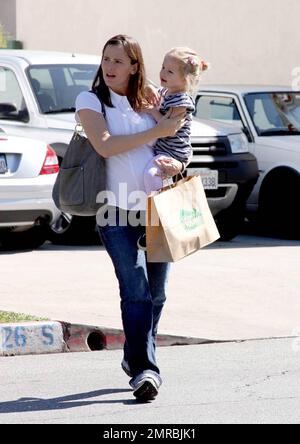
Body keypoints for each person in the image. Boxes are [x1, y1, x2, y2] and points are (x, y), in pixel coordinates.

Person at [75, 35, 185, 402]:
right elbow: (104, 144)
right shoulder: (91, 100)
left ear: (135, 65)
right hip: (115, 212)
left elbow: (179, 138)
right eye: (106, 59)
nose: (109, 67)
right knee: (135, 290)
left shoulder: (153, 96)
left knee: (158, 293)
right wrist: (156, 130)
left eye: (119, 61)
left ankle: (134, 354)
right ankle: (145, 370)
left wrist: (179, 161)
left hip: (157, 210)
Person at [136, 47, 209, 250]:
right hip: (164, 150)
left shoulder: (181, 100)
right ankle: (158, 223)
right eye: (162, 68)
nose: (162, 73)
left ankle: (157, 224)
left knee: (152, 176)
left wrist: (151, 111)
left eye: (170, 71)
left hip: (173, 152)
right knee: (156, 180)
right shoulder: (166, 93)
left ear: (185, 79)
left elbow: (168, 129)